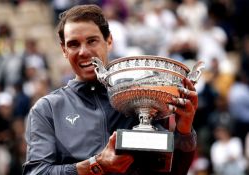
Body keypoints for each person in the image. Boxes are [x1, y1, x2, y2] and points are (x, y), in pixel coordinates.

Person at [23, 4, 198, 175]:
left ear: (109, 41)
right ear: (64, 50)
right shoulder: (48, 109)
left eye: (92, 41)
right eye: (74, 44)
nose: (83, 51)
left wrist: (184, 131)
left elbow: (175, 171)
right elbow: (37, 172)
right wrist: (96, 165)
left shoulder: (142, 96)